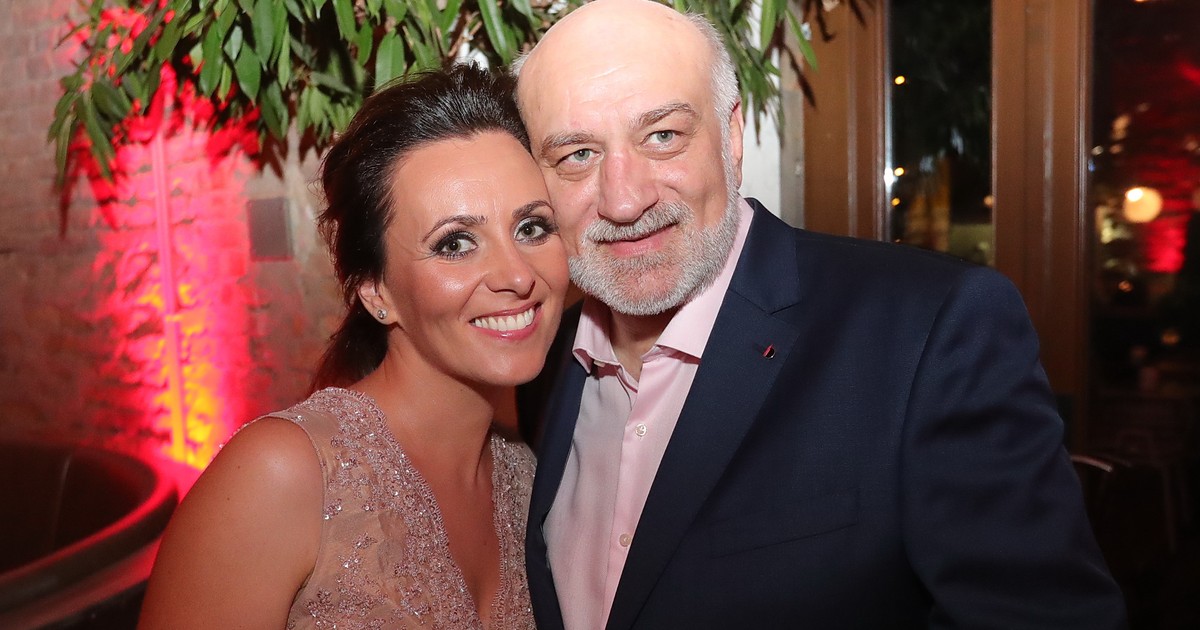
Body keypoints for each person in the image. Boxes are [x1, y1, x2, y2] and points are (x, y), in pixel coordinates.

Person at [512, 1, 1127, 628]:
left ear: (731, 135)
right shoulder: (533, 361)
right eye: (577, 154)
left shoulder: (933, 332)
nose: (623, 199)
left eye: (663, 136)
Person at [138, 63, 568, 629]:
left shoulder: (530, 473)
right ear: (375, 291)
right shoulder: (283, 476)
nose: (516, 275)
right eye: (456, 243)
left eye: (532, 228)